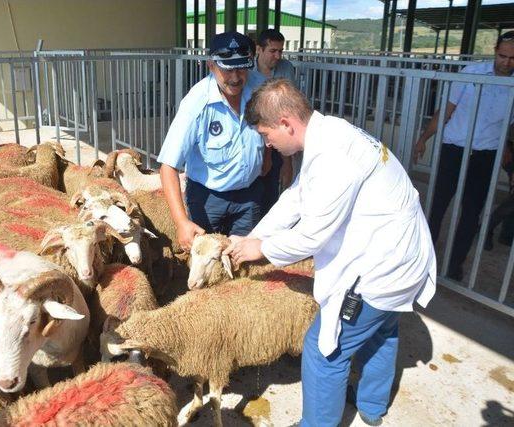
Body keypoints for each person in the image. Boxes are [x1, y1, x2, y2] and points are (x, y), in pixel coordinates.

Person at [225, 79, 437, 426]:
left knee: (324, 352)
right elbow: (297, 196)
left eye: (266, 135)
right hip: (404, 255)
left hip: (382, 269)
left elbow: (310, 237)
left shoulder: (334, 158)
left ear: (286, 123)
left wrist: (259, 250)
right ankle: (371, 406)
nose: (267, 143)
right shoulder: (329, 133)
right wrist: (255, 235)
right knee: (381, 329)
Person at [413, 31, 514, 280]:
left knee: (471, 213)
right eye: (503, 56)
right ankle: (424, 261)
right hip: (454, 150)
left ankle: (454, 266)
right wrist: (423, 138)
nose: (507, 62)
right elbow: (446, 111)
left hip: (485, 155)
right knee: (436, 206)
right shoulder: (471, 73)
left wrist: (508, 155)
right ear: (495, 50)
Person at [158, 31, 266, 250]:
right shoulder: (196, 103)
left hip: (250, 196)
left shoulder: (260, 89)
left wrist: (269, 156)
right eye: (227, 68)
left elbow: (271, 125)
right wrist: (182, 222)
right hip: (209, 200)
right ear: (211, 66)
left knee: (245, 264)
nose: (236, 77)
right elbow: (168, 166)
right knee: (207, 268)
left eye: (242, 67)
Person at [252, 29, 295, 216]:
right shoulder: (247, 71)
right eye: (272, 51)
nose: (278, 56)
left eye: (280, 51)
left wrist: (288, 161)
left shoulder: (287, 68)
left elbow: (288, 107)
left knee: (271, 186)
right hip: (253, 135)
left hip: (277, 136)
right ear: (259, 49)